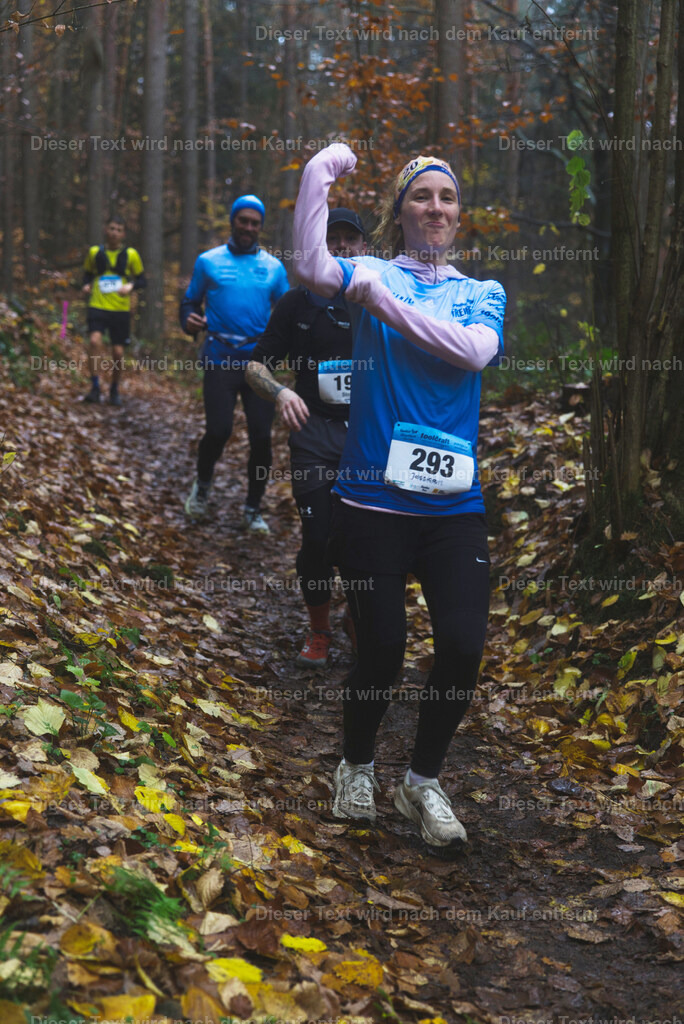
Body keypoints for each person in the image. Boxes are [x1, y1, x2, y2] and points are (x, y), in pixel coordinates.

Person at [293, 144, 506, 848]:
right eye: (421, 196)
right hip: (371, 503)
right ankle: (355, 766)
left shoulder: (483, 292)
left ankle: (422, 782)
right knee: (381, 650)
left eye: (447, 197)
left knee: (463, 648)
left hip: (453, 508)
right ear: (401, 211)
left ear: (459, 214)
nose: (435, 207)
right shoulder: (373, 269)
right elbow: (312, 268)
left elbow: (472, 352)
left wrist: (383, 304)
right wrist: (317, 176)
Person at [245, 208, 367, 666]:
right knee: (318, 539)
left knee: (367, 538)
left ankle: (360, 618)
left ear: (365, 247)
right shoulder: (296, 303)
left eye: (350, 239)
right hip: (314, 434)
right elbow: (255, 365)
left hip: (370, 437)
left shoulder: (381, 299)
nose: (341, 246)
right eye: (332, 238)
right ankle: (320, 631)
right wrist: (280, 393)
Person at [180, 195, 289, 533]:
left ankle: (253, 508)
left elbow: (287, 313)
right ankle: (202, 487)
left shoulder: (274, 267)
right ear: (233, 221)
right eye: (243, 220)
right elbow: (189, 303)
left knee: (261, 437)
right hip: (220, 357)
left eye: (255, 223)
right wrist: (189, 321)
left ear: (261, 227)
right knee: (219, 430)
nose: (248, 227)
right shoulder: (208, 261)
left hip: (259, 363)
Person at [82, 215, 146, 406]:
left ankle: (114, 388)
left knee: (118, 352)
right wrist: (86, 285)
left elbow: (142, 280)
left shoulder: (131, 254)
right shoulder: (94, 252)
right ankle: (95, 386)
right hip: (98, 305)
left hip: (120, 309)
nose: (114, 233)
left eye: (119, 230)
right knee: (94, 341)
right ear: (106, 230)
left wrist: (130, 286)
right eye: (112, 229)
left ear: (123, 234)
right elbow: (87, 274)